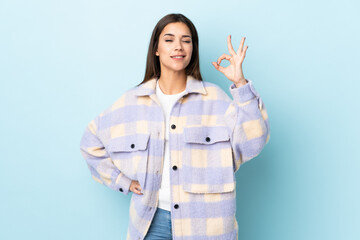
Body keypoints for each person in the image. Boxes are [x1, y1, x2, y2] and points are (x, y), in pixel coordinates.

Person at [80, 13, 270, 240]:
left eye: (186, 40)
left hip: (207, 226)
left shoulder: (215, 100)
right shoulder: (132, 102)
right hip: (151, 223)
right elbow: (90, 143)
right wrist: (123, 182)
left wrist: (240, 84)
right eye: (169, 40)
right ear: (156, 49)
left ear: (193, 49)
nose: (178, 47)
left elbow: (253, 143)